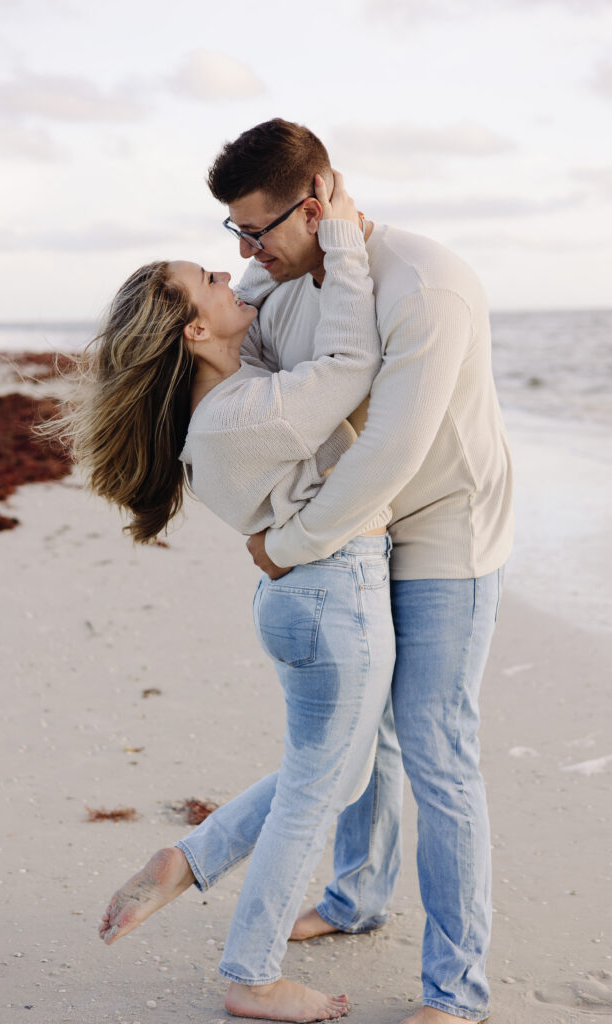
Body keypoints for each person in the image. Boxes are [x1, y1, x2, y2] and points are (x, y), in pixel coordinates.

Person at [56, 174, 398, 1022]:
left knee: (334, 771)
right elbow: (352, 364)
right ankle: (250, 974)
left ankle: (188, 858)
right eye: (207, 279)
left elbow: (242, 294)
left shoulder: (217, 400)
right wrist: (344, 236)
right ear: (193, 329)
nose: (231, 269)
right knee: (318, 791)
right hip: (333, 597)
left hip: (310, 599)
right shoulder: (249, 412)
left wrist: (268, 243)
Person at [201, 118, 514, 1024]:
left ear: (319, 198)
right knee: (360, 723)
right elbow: (254, 384)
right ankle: (354, 895)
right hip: (355, 528)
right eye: (236, 234)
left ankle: (455, 994)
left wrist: (284, 545)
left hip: (444, 522)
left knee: (433, 742)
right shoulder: (283, 279)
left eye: (259, 229)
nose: (247, 253)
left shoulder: (429, 284)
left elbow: (389, 451)